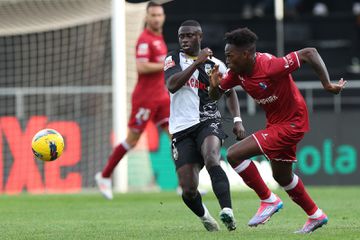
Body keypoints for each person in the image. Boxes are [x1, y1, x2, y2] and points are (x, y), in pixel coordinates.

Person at [209, 27, 346, 233]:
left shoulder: (270, 66)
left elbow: (310, 53)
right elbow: (216, 94)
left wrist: (326, 84)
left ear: (246, 54)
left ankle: (268, 200)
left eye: (230, 56)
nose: (227, 60)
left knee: (234, 154)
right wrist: (213, 86)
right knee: (282, 177)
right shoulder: (237, 73)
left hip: (292, 123)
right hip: (277, 123)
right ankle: (315, 215)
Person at [164, 20, 246, 232]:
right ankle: (206, 218)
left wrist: (237, 120)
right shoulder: (172, 59)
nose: (184, 39)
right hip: (181, 129)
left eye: (190, 35)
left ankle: (227, 210)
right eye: (181, 36)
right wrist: (196, 63)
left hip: (207, 121)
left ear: (200, 37)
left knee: (212, 158)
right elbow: (172, 86)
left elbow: (230, 93)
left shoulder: (216, 64)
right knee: (188, 189)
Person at [95, 2, 169, 200]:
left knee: (176, 138)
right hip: (145, 99)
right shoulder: (145, 39)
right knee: (132, 140)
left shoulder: (159, 38)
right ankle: (104, 176)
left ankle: (186, 183)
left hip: (161, 97)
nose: (156, 18)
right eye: (152, 15)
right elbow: (142, 67)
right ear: (146, 17)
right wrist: (166, 64)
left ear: (163, 17)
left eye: (159, 15)